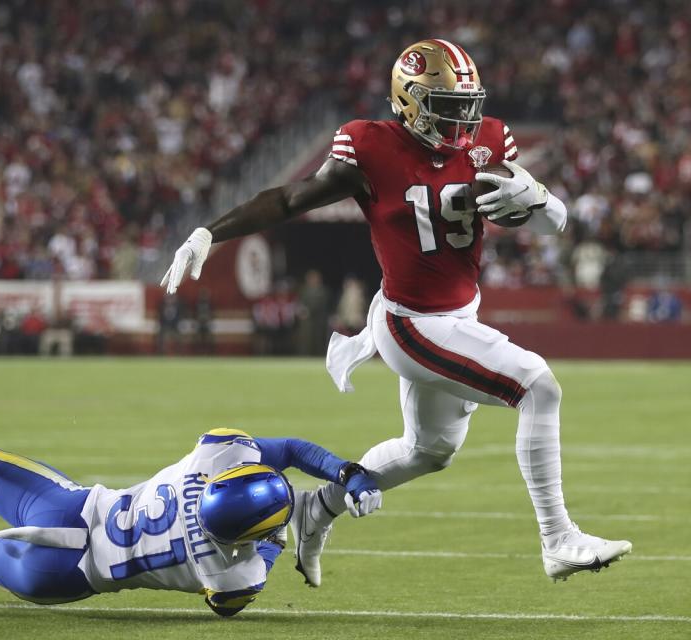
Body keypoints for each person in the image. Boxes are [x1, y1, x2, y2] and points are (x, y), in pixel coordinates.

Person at [162, 39, 632, 585]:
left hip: (459, 316)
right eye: (447, 106)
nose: (463, 121)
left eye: (467, 105)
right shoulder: (371, 146)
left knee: (427, 451)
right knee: (538, 386)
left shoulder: (488, 141)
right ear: (409, 102)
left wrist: (541, 199)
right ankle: (558, 540)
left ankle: (318, 509)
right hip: (411, 324)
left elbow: (557, 225)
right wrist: (207, 233)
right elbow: (292, 199)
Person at [0, 345, 380, 615]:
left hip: (67, 507)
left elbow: (293, 450)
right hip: (65, 576)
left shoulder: (213, 456)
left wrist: (340, 471)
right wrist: (301, 519)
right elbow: (233, 599)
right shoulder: (231, 571)